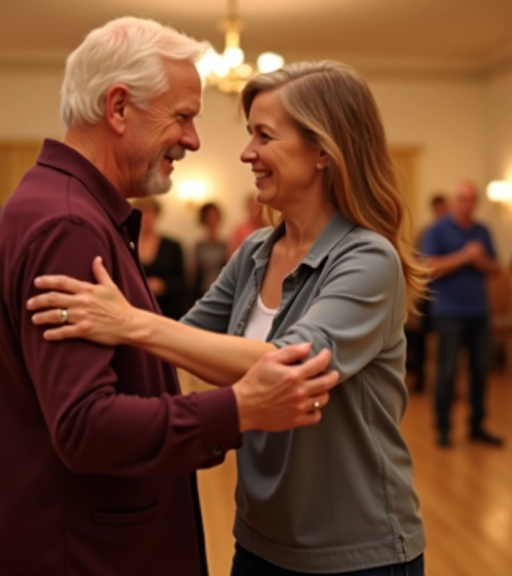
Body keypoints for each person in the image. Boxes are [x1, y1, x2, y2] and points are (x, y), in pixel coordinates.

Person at [0, 19, 341, 576]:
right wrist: (236, 410)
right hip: (76, 552)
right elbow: (85, 426)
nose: (193, 140)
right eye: (183, 116)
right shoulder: (70, 226)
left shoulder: (65, 206)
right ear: (118, 108)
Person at [26, 60, 427, 575]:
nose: (247, 153)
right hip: (260, 538)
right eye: (249, 134)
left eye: (264, 136)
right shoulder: (258, 250)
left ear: (323, 150)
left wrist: (130, 322)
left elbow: (286, 368)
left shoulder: (369, 260)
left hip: (355, 552)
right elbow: (189, 340)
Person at [421, 181, 503, 448]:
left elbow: (495, 269)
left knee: (481, 370)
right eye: (463, 199)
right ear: (455, 201)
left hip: (479, 312)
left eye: (472, 200)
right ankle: (443, 428)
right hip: (448, 312)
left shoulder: (482, 231)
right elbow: (429, 268)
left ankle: (477, 425)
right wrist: (464, 257)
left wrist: (481, 262)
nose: (467, 204)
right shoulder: (437, 231)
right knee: (447, 372)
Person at [405, 193, 448, 393]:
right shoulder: (426, 232)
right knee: (416, 335)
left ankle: (445, 384)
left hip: (446, 294)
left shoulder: (450, 232)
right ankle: (419, 378)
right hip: (426, 292)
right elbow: (418, 262)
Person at [133, 197, 188, 319]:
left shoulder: (172, 245)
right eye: (141, 212)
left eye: (149, 213)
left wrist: (163, 285)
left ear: (157, 215)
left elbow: (183, 282)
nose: (145, 218)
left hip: (166, 309)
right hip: (135, 309)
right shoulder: (127, 243)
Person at [194, 201, 228, 301]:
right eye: (208, 216)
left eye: (214, 216)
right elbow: (193, 274)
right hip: (202, 292)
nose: (212, 219)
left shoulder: (226, 245)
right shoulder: (198, 246)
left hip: (224, 292)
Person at [227, 193, 264, 259]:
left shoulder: (268, 227)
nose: (255, 211)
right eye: (253, 207)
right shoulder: (239, 229)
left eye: (258, 207)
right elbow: (232, 254)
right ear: (248, 208)